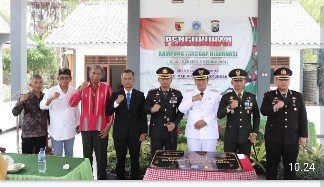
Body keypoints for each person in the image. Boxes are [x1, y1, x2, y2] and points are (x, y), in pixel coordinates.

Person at [260, 67, 308, 180]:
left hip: (292, 138)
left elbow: (303, 117)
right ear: (275, 81)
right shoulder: (269, 95)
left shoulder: (297, 96)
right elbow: (263, 111)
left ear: (289, 81)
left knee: (290, 168)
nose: (283, 82)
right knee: (272, 167)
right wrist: (275, 107)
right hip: (273, 139)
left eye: (286, 79)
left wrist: (303, 135)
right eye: (280, 79)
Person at [69, 64, 114, 180]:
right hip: (86, 128)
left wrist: (108, 126)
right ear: (89, 74)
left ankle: (102, 180)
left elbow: (111, 109)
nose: (95, 76)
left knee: (101, 158)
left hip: (101, 129)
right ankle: (88, 179)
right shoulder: (82, 87)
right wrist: (79, 90)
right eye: (93, 73)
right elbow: (72, 103)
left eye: (98, 74)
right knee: (87, 157)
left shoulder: (107, 88)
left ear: (101, 75)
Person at [106, 69, 147, 180]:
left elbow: (143, 114)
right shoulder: (115, 94)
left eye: (129, 78)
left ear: (133, 80)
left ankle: (134, 181)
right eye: (125, 79)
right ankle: (120, 181)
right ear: (122, 80)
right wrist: (116, 102)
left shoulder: (140, 95)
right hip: (120, 133)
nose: (127, 81)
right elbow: (108, 111)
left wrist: (144, 132)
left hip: (135, 133)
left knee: (135, 159)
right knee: (120, 159)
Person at [217, 68, 260, 158]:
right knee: (229, 162)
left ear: (244, 81)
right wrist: (229, 107)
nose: (238, 83)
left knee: (244, 162)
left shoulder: (251, 97)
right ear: (232, 82)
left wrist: (254, 133)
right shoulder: (226, 97)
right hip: (230, 136)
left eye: (240, 80)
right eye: (236, 81)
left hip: (246, 136)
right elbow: (219, 115)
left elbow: (256, 116)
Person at [144, 67, 184, 157]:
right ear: (159, 80)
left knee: (171, 157)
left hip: (170, 130)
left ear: (171, 80)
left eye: (167, 78)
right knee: (156, 157)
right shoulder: (152, 93)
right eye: (162, 78)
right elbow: (144, 108)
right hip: (156, 131)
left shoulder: (177, 94)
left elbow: (181, 111)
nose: (164, 81)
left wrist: (174, 123)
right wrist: (151, 109)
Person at [40, 68, 80, 157]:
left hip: (70, 128)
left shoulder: (74, 91)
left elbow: (76, 108)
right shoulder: (52, 91)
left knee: (69, 153)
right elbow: (42, 105)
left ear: (70, 79)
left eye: (67, 78)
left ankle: (69, 171)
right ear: (58, 79)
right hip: (57, 130)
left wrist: (78, 123)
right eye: (62, 78)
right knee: (58, 155)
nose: (64, 80)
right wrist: (51, 98)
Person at [178, 68, 221, 152]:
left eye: (203, 79)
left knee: (209, 161)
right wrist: (192, 99)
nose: (201, 82)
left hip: (209, 132)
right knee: (194, 161)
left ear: (207, 80)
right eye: (198, 80)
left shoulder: (215, 94)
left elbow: (218, 112)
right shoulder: (188, 93)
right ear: (195, 81)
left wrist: (205, 121)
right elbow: (181, 109)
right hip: (193, 132)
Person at [12, 75, 49, 154]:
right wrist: (21, 101)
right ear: (31, 84)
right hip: (28, 134)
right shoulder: (26, 96)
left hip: (42, 134)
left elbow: (50, 115)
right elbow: (15, 112)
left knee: (41, 159)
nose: (38, 85)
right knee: (26, 159)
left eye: (40, 82)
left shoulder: (46, 97)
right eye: (35, 82)